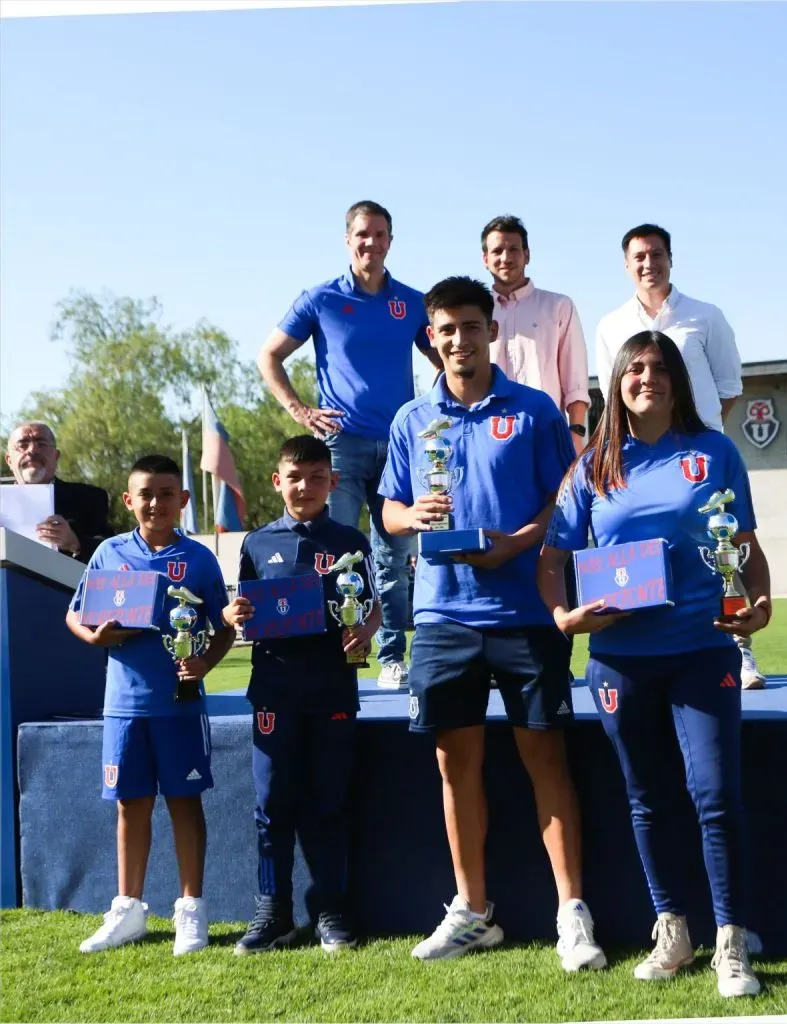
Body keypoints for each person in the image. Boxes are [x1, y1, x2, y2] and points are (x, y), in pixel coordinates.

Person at [379, 276, 605, 972]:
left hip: (524, 611)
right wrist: (412, 519)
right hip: (443, 613)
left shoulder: (535, 411)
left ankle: (572, 914)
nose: (458, 340)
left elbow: (564, 505)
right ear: (431, 339)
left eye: (470, 327)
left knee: (546, 760)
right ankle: (473, 911)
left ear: (492, 332)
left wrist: (516, 542)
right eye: (445, 330)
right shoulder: (412, 420)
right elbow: (388, 511)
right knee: (456, 765)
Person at [538, 330, 772, 998]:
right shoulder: (591, 467)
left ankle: (731, 941)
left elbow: (745, 546)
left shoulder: (714, 451)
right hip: (620, 662)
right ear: (616, 381)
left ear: (678, 381)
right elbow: (553, 561)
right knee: (647, 802)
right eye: (636, 368)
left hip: (701, 651)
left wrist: (761, 604)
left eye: (661, 368)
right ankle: (672, 929)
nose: (650, 377)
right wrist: (563, 616)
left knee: (716, 796)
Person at [257, 200, 440, 690]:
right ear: (347, 239)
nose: (371, 243)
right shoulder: (319, 299)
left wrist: (438, 417)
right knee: (332, 551)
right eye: (362, 234)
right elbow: (268, 355)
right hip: (340, 446)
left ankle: (392, 655)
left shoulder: (411, 302)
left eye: (380, 235)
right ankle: (328, 646)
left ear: (390, 241)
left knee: (395, 555)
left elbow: (445, 356)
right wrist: (300, 411)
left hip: (399, 446)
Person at [64, 454, 235, 955]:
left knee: (185, 803)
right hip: (123, 705)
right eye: (146, 494)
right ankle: (128, 909)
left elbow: (222, 625)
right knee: (129, 804)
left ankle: (191, 909)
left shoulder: (200, 559)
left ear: (183, 500)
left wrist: (202, 662)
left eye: (166, 494)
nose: (156, 503)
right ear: (128, 501)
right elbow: (75, 615)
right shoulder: (109, 553)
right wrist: (94, 638)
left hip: (178, 704)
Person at [221, 435, 381, 955]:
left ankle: (330, 909)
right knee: (272, 804)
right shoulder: (255, 543)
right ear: (277, 482)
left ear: (333, 482)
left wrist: (368, 629)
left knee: (329, 801)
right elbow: (241, 610)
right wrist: (234, 616)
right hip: (274, 691)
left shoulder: (351, 541)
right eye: (295, 477)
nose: (305, 487)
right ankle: (273, 911)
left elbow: (372, 605)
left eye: (317, 477)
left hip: (333, 687)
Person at [594, 224, 767, 690]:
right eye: (639, 257)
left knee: (723, 549)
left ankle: (741, 652)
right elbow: (614, 399)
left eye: (656, 254)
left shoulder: (706, 317)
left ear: (671, 259)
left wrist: (694, 437)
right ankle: (644, 658)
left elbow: (729, 387)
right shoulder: (611, 325)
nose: (648, 263)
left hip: (700, 459)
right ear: (626, 265)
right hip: (639, 459)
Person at [481, 215, 591, 454]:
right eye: (497, 251)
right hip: (487, 435)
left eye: (513, 249)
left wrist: (576, 434)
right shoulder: (476, 312)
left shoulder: (558, 306)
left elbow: (576, 380)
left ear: (527, 255)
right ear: (485, 259)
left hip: (546, 434)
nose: (506, 257)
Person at [5, 421, 114, 561]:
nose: (32, 450)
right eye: (23, 445)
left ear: (56, 456)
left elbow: (112, 553)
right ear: (9, 460)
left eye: (41, 443)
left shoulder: (88, 498)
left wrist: (75, 543)